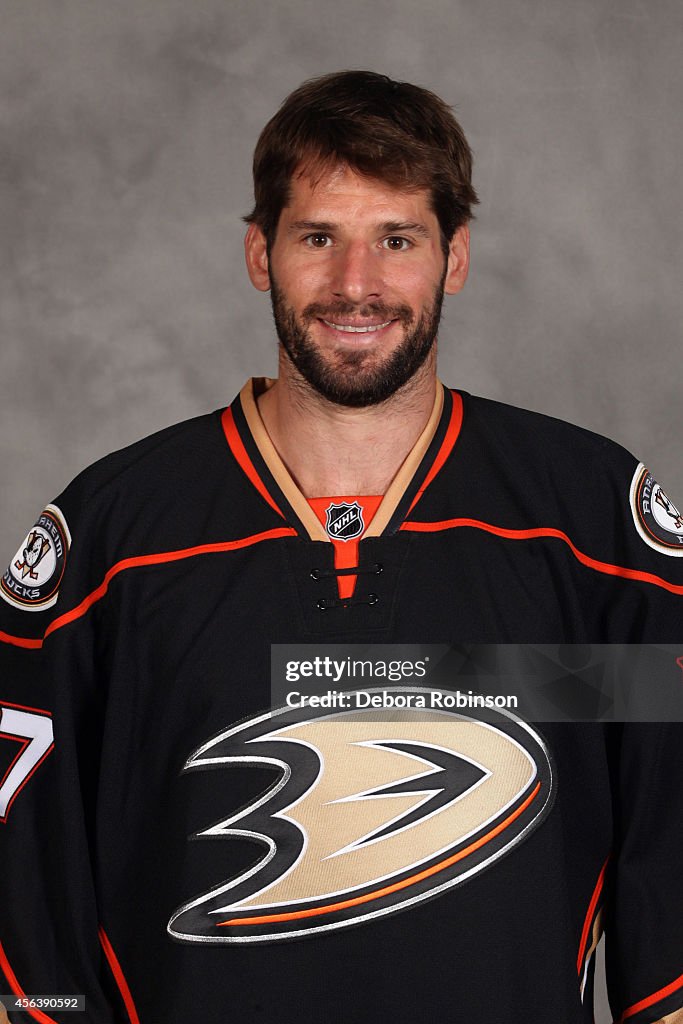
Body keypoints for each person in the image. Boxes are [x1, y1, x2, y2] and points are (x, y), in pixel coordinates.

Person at [1, 70, 681, 1024]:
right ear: (258, 254)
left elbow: (665, 840)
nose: (354, 284)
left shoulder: (587, 527)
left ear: (454, 257)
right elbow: (31, 903)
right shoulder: (116, 538)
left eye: (395, 239)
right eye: (317, 237)